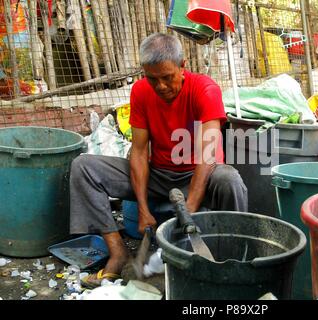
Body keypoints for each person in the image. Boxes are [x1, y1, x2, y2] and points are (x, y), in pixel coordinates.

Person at [70, 33, 248, 288]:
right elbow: (139, 152)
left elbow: (207, 156)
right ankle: (118, 253)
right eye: (153, 79)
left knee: (229, 179)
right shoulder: (141, 92)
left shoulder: (205, 89)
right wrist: (142, 208)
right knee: (84, 167)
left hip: (199, 175)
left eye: (167, 77)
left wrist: (188, 214)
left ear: (183, 66)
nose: (161, 86)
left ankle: (232, 259)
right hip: (159, 174)